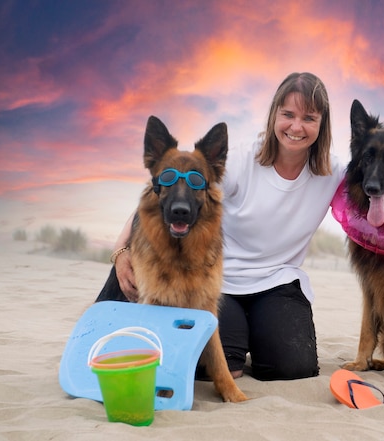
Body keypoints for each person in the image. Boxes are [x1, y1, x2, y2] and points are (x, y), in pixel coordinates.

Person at [111, 72, 345, 381]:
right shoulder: (241, 161)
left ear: (322, 124)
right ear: (274, 114)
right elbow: (163, 199)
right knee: (218, 371)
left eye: (309, 118)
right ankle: (239, 339)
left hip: (279, 280)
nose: (296, 127)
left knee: (291, 369)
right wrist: (120, 250)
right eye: (288, 114)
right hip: (224, 281)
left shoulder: (334, 171)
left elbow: (375, 196)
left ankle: (257, 333)